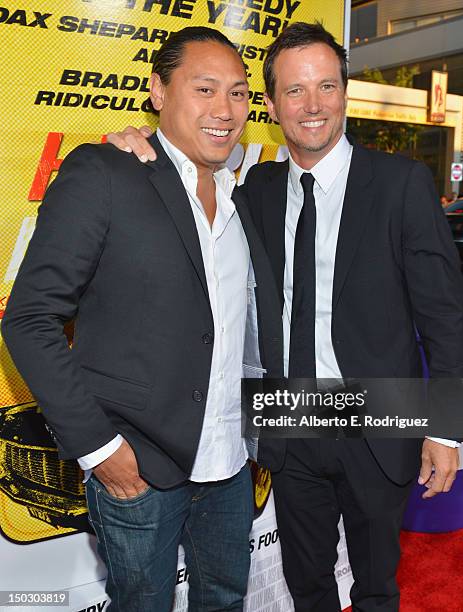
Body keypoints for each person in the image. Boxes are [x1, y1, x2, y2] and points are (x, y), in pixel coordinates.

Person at [106, 22, 463, 612]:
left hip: (381, 416)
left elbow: (443, 317)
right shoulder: (254, 189)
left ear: (345, 94)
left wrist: (445, 429)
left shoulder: (400, 183)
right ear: (271, 105)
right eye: (295, 91)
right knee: (308, 587)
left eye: (327, 87)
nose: (313, 106)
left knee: (377, 587)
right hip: (292, 416)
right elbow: (179, 177)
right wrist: (134, 146)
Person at [2, 27, 283, 612]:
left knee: (225, 598)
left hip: (232, 461)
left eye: (238, 94)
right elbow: (29, 319)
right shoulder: (106, 173)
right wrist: (100, 449)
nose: (225, 110)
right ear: (157, 90)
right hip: (140, 466)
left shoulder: (243, 196)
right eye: (204, 89)